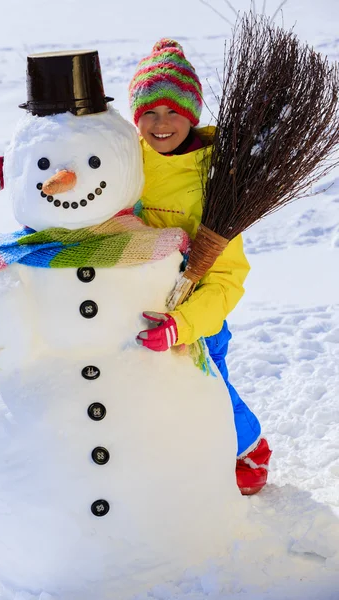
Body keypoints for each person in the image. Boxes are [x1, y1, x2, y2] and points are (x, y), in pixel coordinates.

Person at [130, 38, 272, 495]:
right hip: (135, 305)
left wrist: (183, 324)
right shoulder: (126, 161)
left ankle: (246, 447)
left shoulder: (219, 176)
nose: (161, 123)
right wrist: (27, 173)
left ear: (192, 113)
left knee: (208, 386)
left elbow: (228, 278)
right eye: (149, 112)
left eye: (173, 111)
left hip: (196, 316)